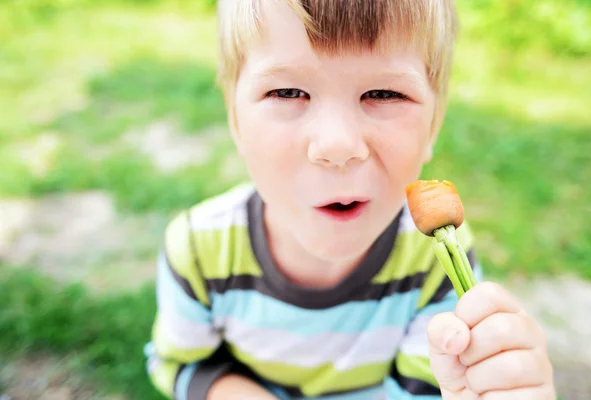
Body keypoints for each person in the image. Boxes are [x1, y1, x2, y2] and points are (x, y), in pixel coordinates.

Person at [143, 0, 556, 399]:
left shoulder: (439, 264)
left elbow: (427, 389)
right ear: (235, 118)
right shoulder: (200, 250)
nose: (338, 145)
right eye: (288, 92)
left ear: (433, 124)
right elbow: (181, 365)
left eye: (384, 93)